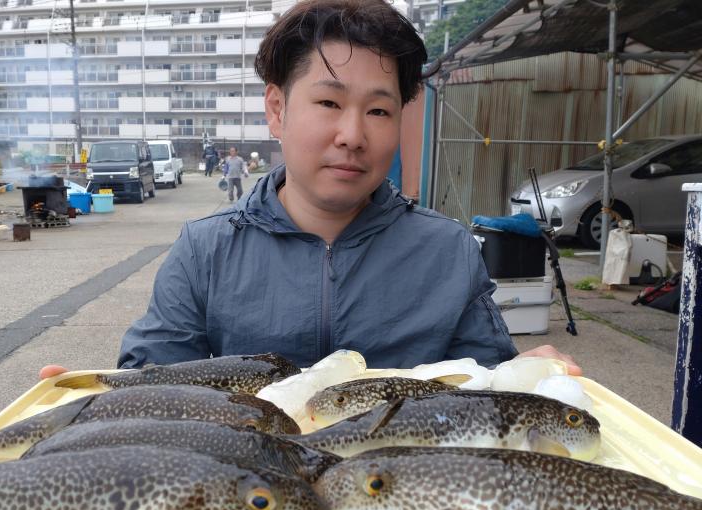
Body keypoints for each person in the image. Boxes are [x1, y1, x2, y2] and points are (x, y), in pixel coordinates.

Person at [41, 0, 578, 379]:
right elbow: (155, 381)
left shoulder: (449, 252)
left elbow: (484, 385)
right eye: (328, 103)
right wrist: (97, 405)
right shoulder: (204, 251)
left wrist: (525, 379)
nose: (353, 135)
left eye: (379, 110)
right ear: (277, 109)